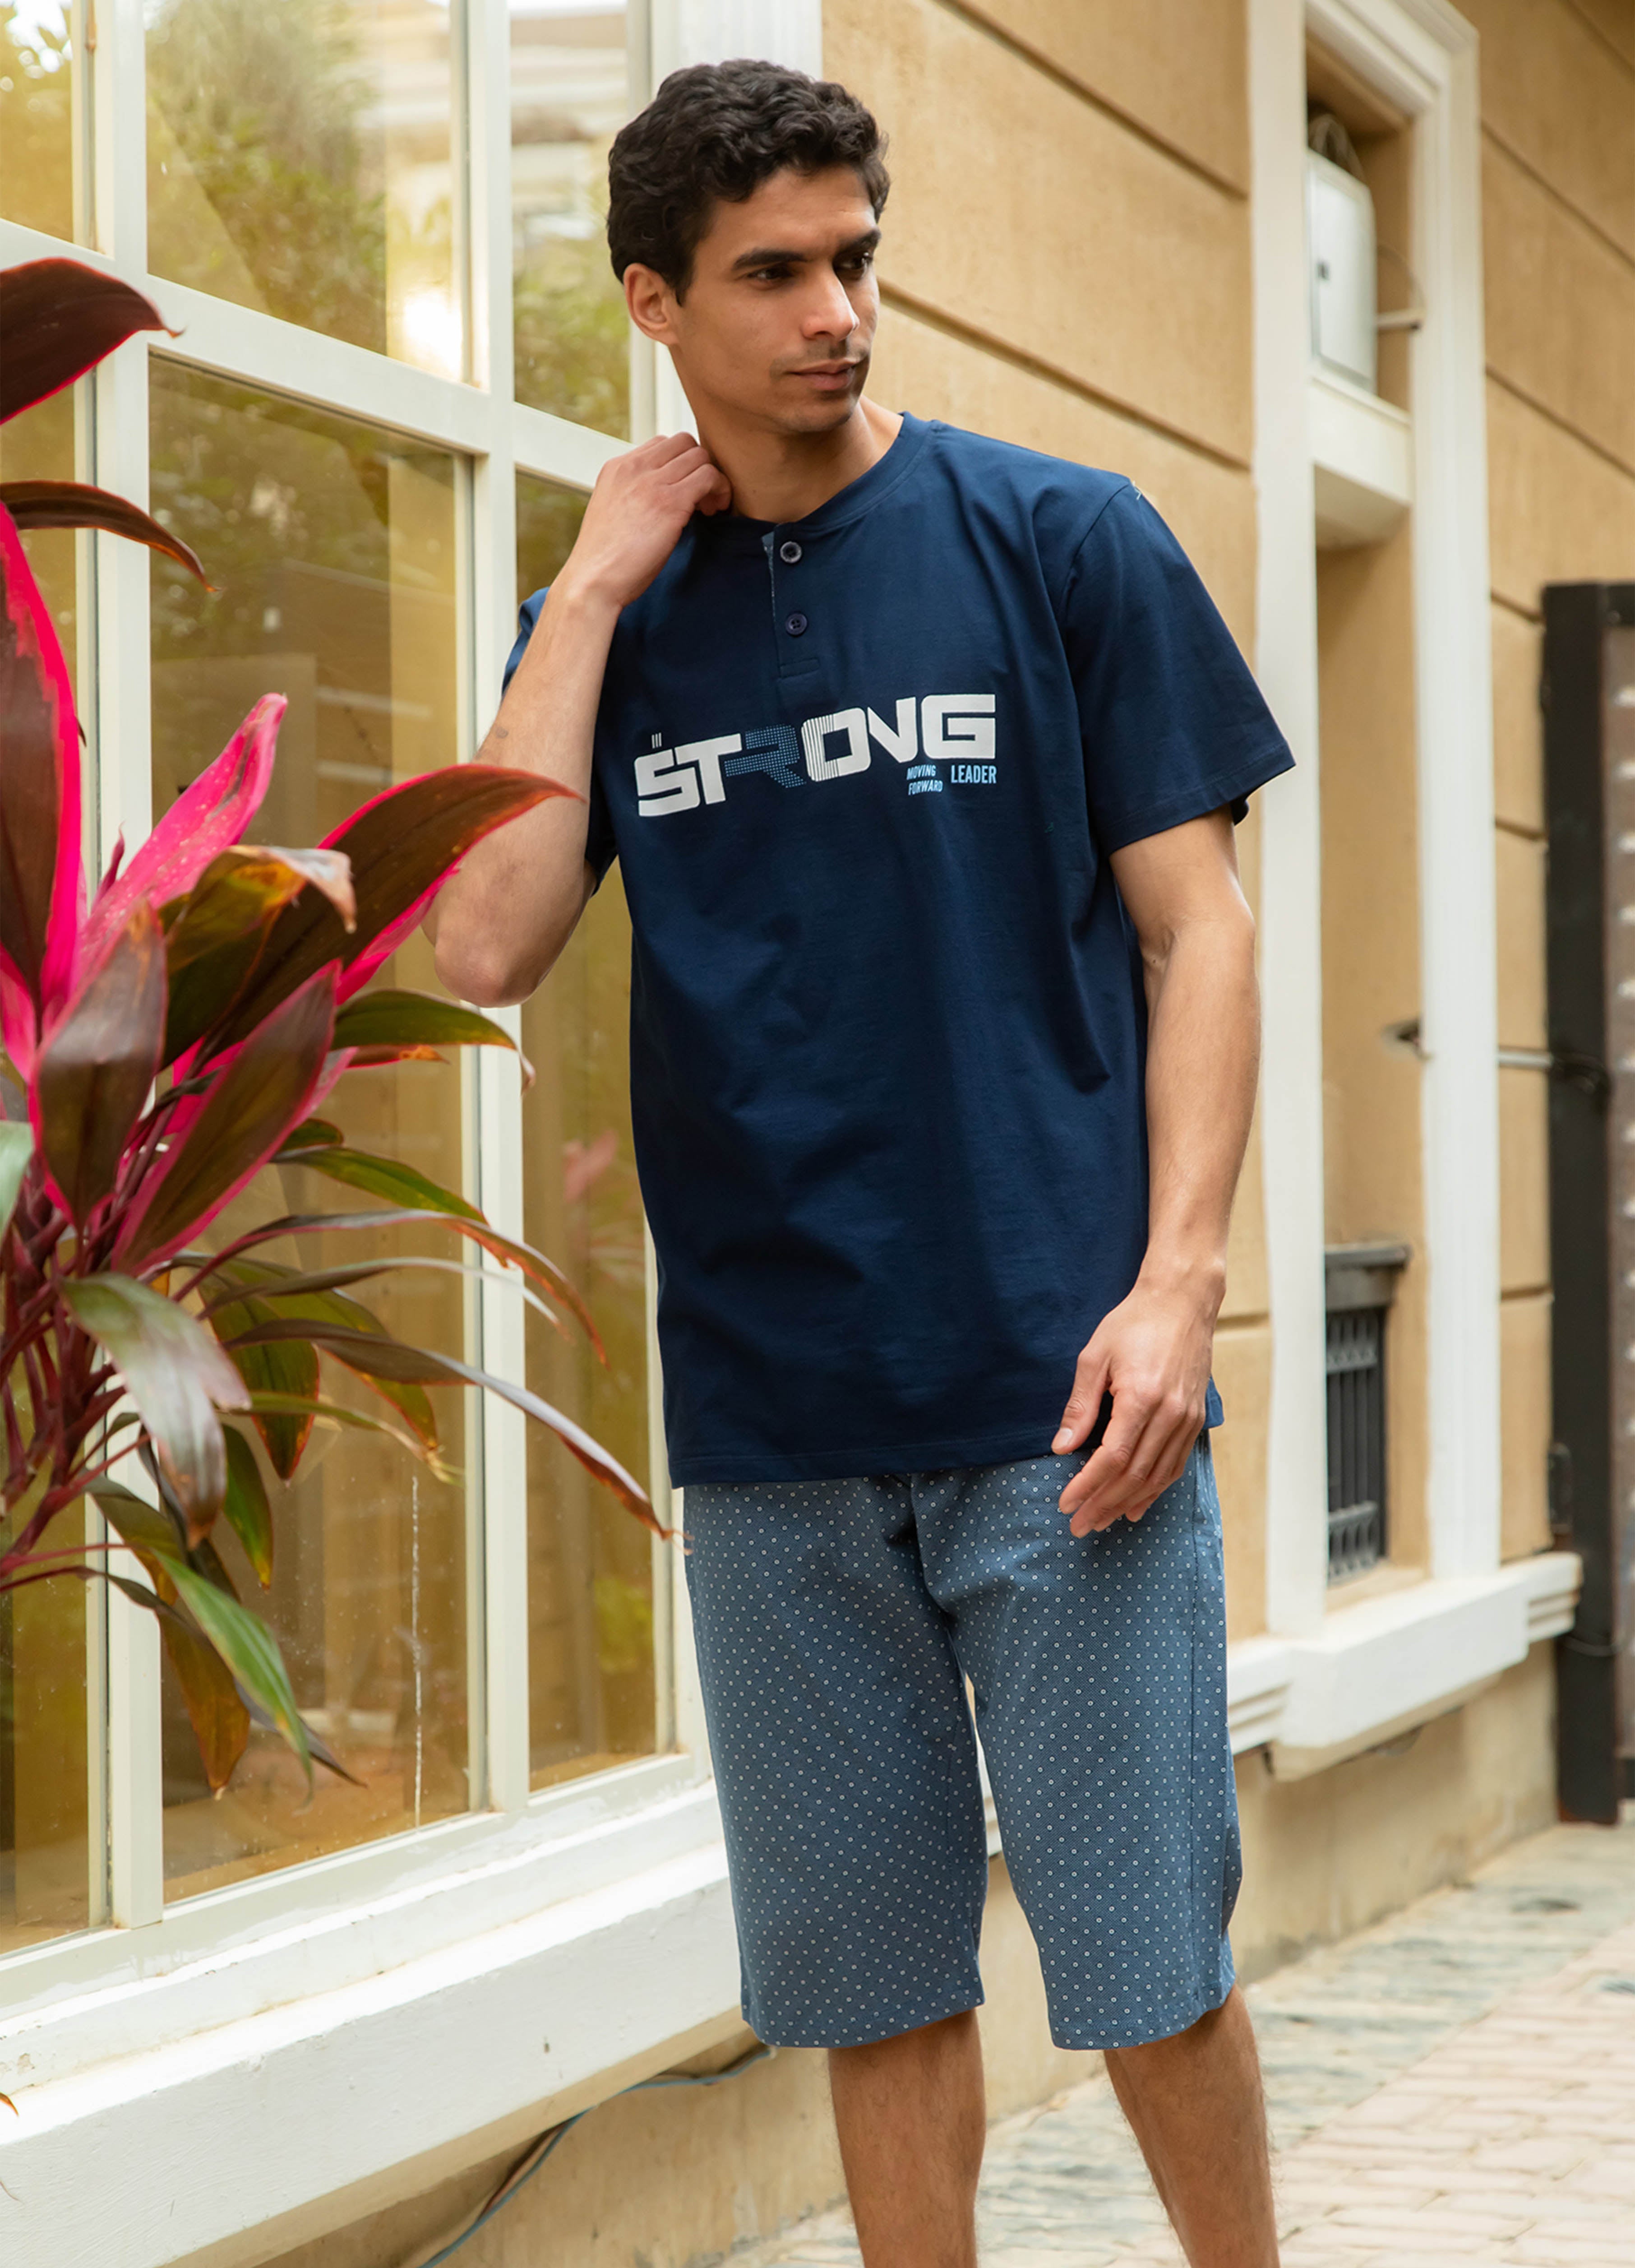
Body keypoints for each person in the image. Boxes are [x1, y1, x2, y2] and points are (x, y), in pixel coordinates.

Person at [430, 58, 1292, 2268]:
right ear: (654, 300)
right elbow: (483, 942)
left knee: (1148, 1961)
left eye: (855, 260)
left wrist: (1178, 1283)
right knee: (871, 1988)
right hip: (775, 1419)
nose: (835, 311)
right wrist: (587, 596)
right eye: (773, 273)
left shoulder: (1062, 539)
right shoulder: (616, 623)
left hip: (1062, 1393)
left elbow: (1201, 930)